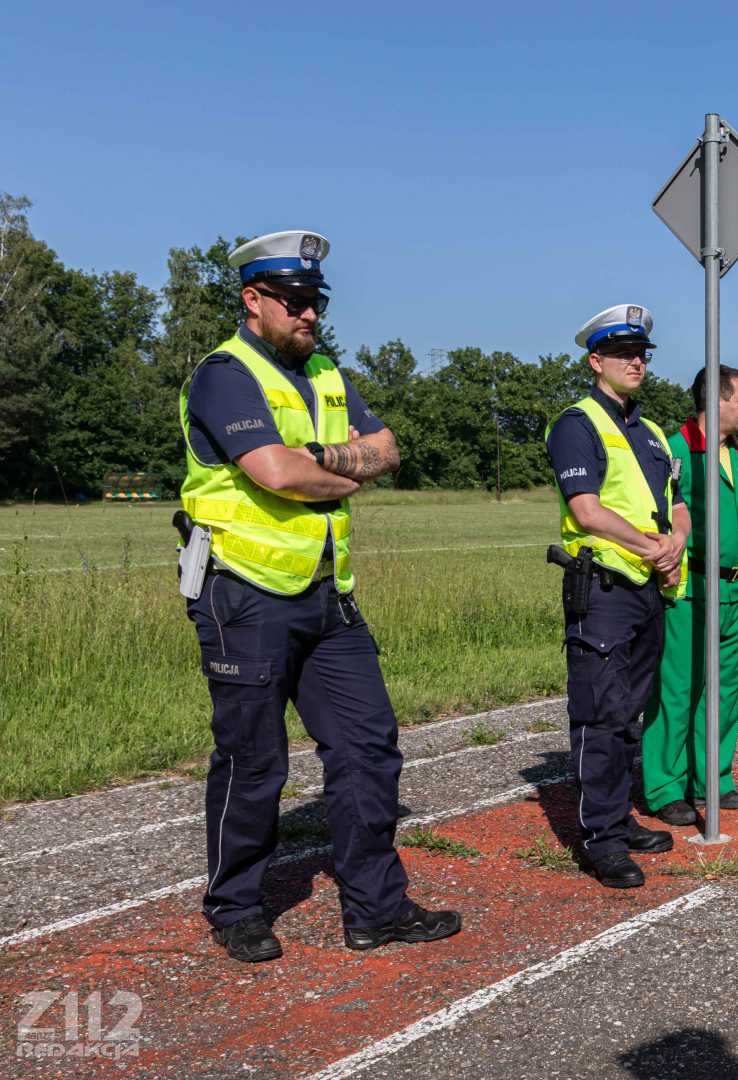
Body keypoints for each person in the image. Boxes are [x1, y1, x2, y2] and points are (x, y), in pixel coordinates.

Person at [179, 230, 460, 962]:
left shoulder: (327, 372)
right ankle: (236, 907)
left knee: (369, 748)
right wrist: (341, 470)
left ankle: (377, 909)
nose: (309, 314)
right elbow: (275, 473)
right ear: (253, 299)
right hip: (245, 594)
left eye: (317, 302)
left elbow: (388, 449)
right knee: (254, 760)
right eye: (295, 300)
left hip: (328, 594)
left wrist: (324, 460)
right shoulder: (225, 374)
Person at [544, 304, 689, 888]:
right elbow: (587, 511)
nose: (636, 362)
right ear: (595, 361)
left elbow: (677, 502)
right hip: (603, 589)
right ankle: (601, 839)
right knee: (600, 717)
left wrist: (676, 541)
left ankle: (619, 815)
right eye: (623, 354)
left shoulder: (650, 432)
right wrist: (654, 549)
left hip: (647, 588)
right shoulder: (576, 424)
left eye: (641, 354)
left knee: (630, 715)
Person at [643, 364, 738, 827]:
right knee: (677, 690)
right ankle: (665, 787)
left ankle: (713, 777)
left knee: (723, 692)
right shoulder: (676, 450)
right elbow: (657, 515)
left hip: (734, 588)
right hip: (691, 588)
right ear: (717, 399)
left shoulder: (737, 456)